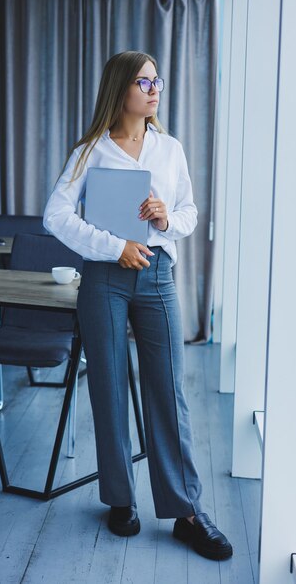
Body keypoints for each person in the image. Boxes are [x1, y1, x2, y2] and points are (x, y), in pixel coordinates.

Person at [43, 50, 233, 561]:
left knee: (169, 391)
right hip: (104, 278)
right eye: (144, 81)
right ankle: (120, 500)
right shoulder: (90, 151)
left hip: (158, 277)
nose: (154, 89)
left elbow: (191, 211)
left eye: (157, 81)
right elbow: (54, 217)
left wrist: (167, 219)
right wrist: (113, 246)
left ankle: (187, 511)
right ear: (120, 88)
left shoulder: (170, 150)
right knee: (107, 387)